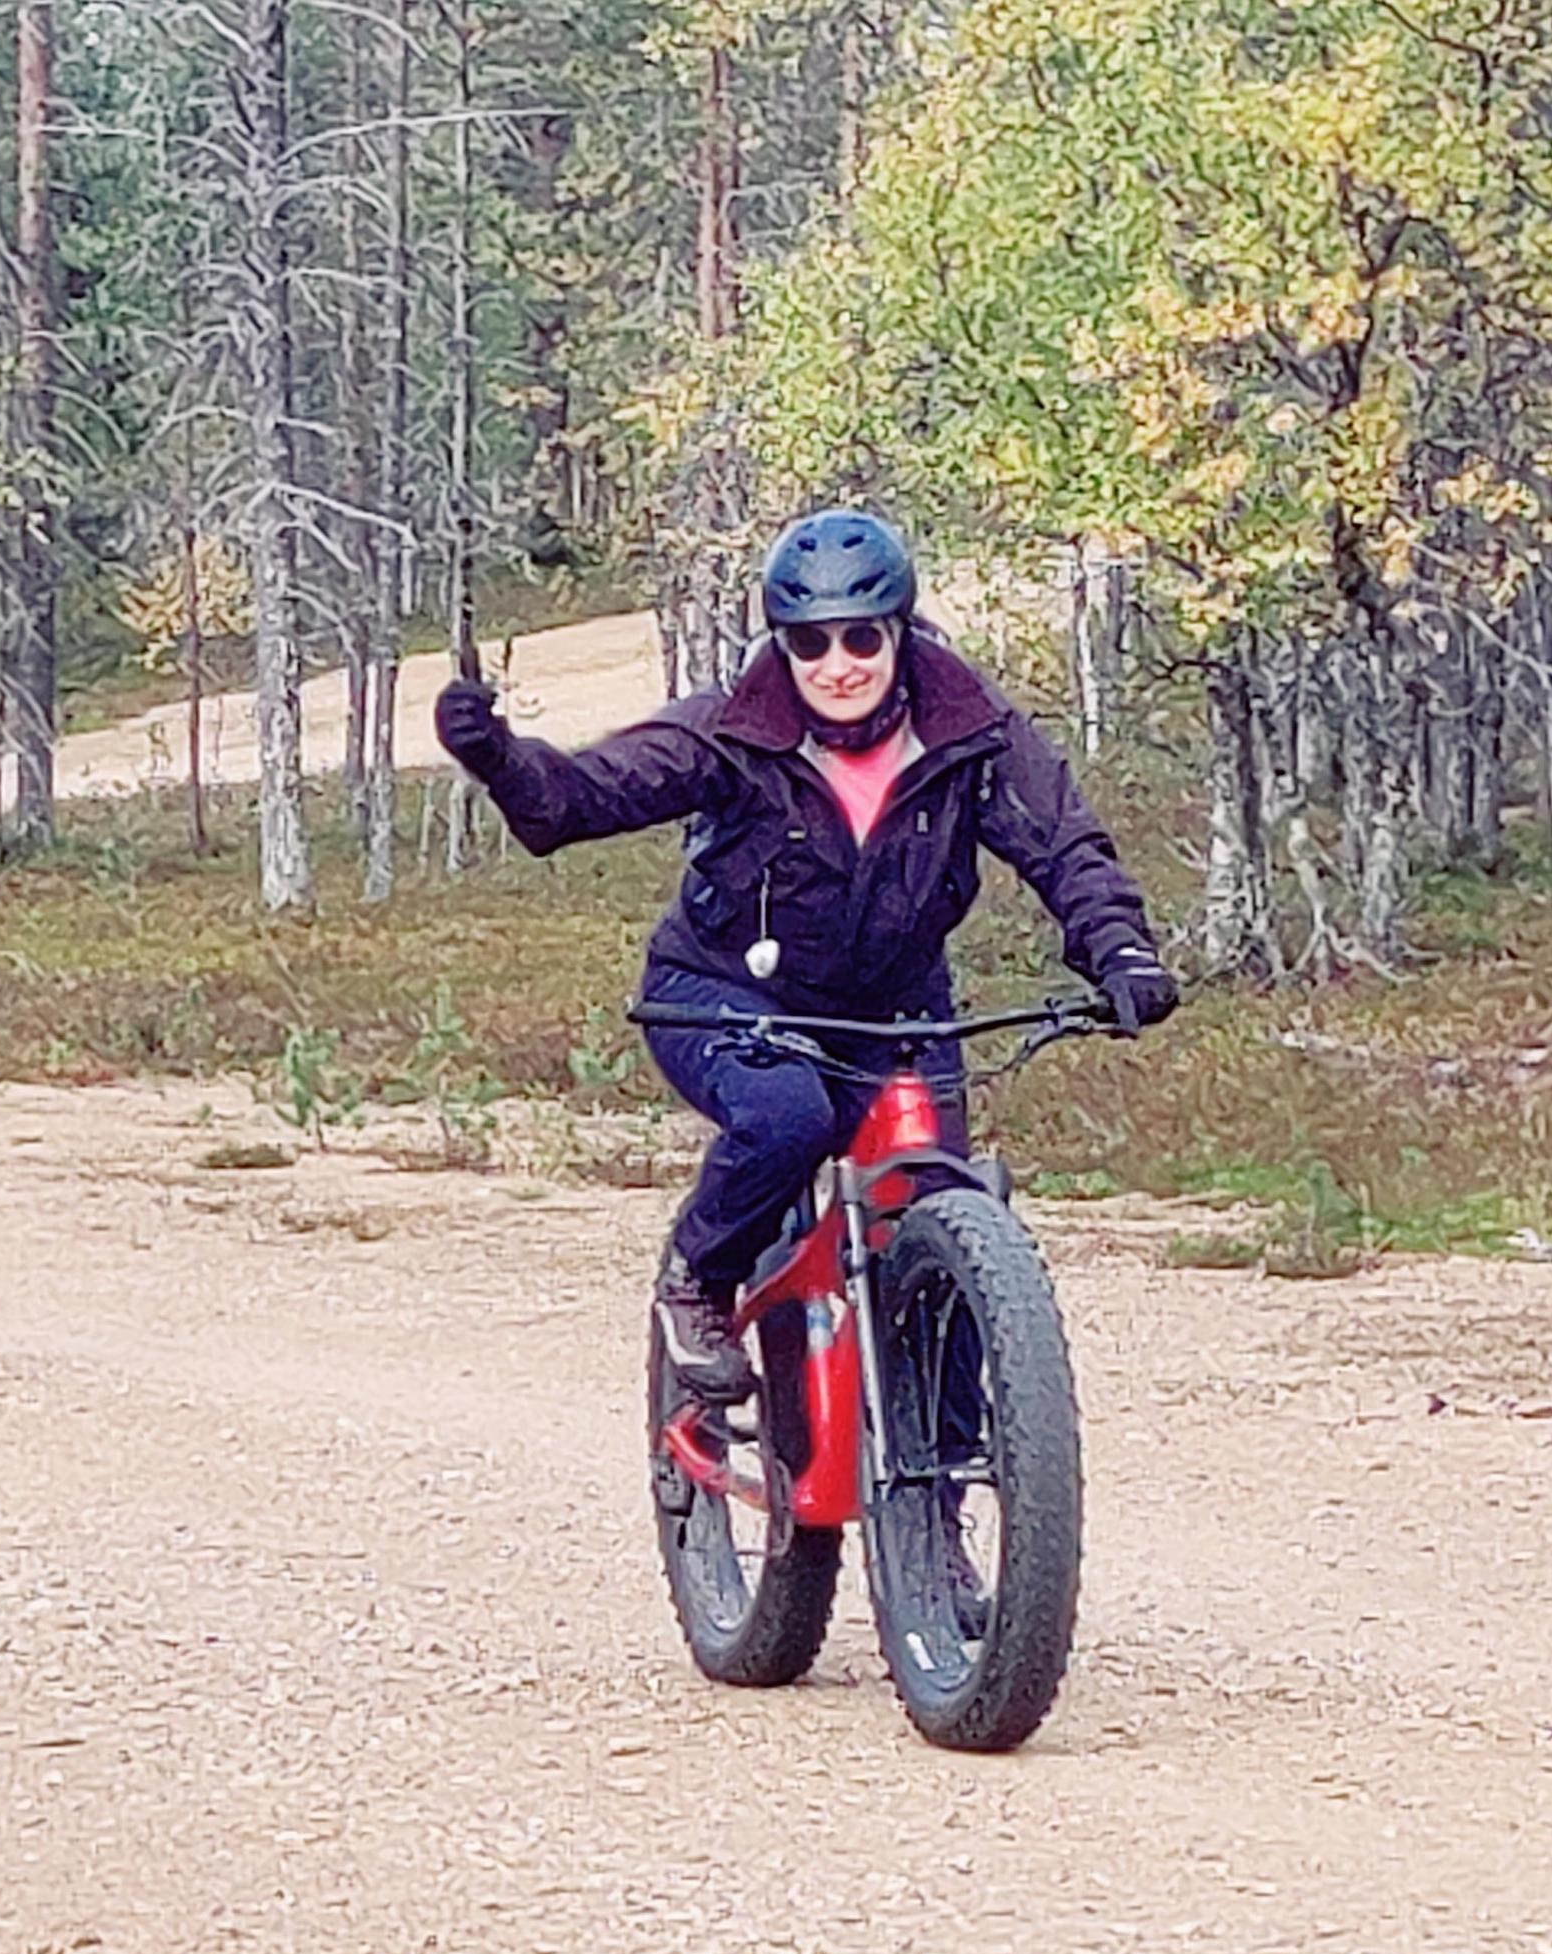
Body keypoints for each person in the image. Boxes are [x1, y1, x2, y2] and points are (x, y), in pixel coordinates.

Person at [432, 508, 1178, 1402]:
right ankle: (699, 1283)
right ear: (781, 644)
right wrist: (502, 760)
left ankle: (939, 1512)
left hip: (895, 1004)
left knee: (946, 1211)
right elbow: (586, 796)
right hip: (722, 991)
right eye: (809, 642)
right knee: (790, 1118)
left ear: (900, 629)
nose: (838, 664)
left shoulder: (972, 731)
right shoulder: (731, 732)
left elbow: (1064, 844)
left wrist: (1121, 952)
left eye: (861, 636)